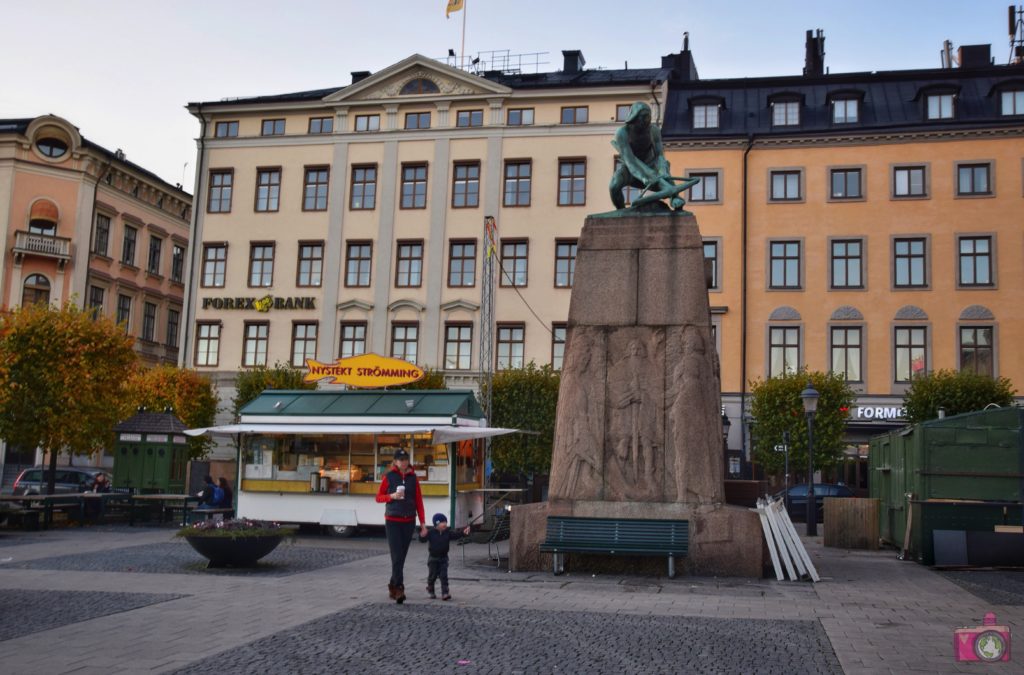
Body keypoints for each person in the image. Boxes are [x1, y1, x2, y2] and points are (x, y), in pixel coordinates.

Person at [375, 449, 427, 604]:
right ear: (395, 461)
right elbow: (378, 498)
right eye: (400, 459)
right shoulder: (389, 477)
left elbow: (418, 500)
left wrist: (423, 523)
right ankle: (399, 588)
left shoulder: (413, 478)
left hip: (409, 521)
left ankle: (392, 585)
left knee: (401, 557)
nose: (403, 462)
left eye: (405, 459)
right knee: (397, 555)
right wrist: (391, 496)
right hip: (393, 520)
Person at [419, 513, 470, 600]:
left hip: (444, 558)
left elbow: (456, 535)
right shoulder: (431, 532)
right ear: (436, 524)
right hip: (433, 558)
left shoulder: (448, 533)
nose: (445, 524)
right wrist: (422, 535)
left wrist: (463, 533)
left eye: (445, 522)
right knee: (432, 576)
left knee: (444, 576)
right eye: (442, 522)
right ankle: (431, 589)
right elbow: (423, 540)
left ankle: (445, 593)